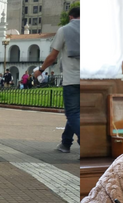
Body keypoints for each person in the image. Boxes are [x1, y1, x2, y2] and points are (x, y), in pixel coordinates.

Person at [35, 6, 80, 153]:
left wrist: (40, 70)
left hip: (72, 79)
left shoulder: (64, 30)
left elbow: (53, 56)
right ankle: (65, 143)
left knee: (73, 113)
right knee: (76, 114)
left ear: (70, 17)